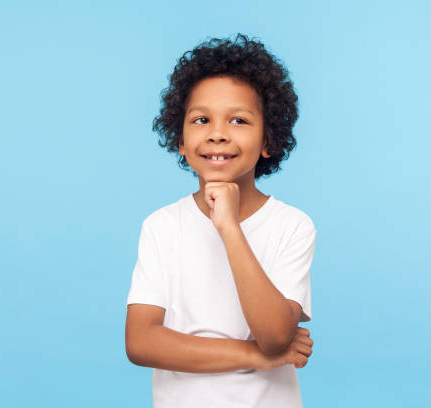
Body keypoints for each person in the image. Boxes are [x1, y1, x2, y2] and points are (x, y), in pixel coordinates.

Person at [125, 33, 316, 408]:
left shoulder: (292, 225)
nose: (217, 133)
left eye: (239, 120)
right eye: (201, 119)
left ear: (268, 140)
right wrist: (255, 356)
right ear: (180, 139)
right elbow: (141, 342)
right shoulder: (161, 226)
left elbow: (276, 337)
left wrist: (229, 227)